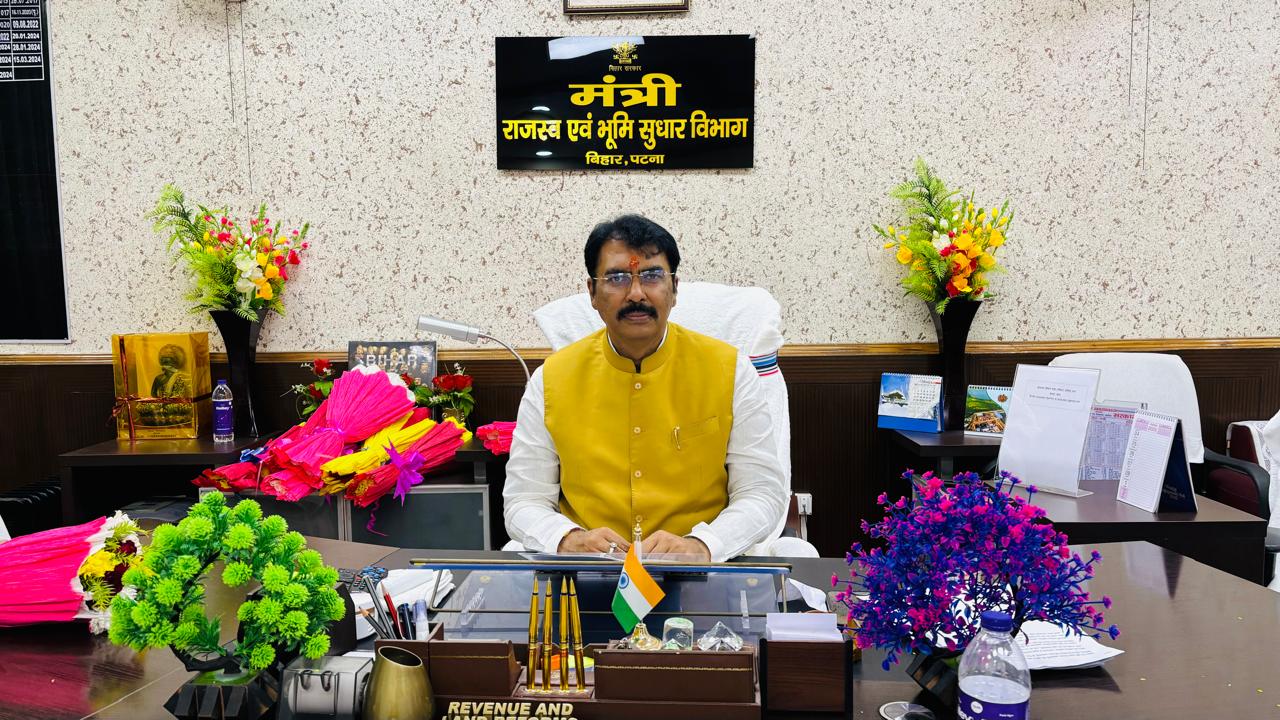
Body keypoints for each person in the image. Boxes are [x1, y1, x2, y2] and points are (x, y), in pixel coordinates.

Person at [503, 214, 786, 562]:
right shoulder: (550, 380)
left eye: (652, 276)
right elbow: (523, 500)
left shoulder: (732, 372)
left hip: (701, 574)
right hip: (587, 572)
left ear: (675, 288)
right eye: (617, 278)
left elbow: (761, 493)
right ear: (592, 292)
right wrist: (568, 539)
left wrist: (703, 545)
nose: (636, 293)